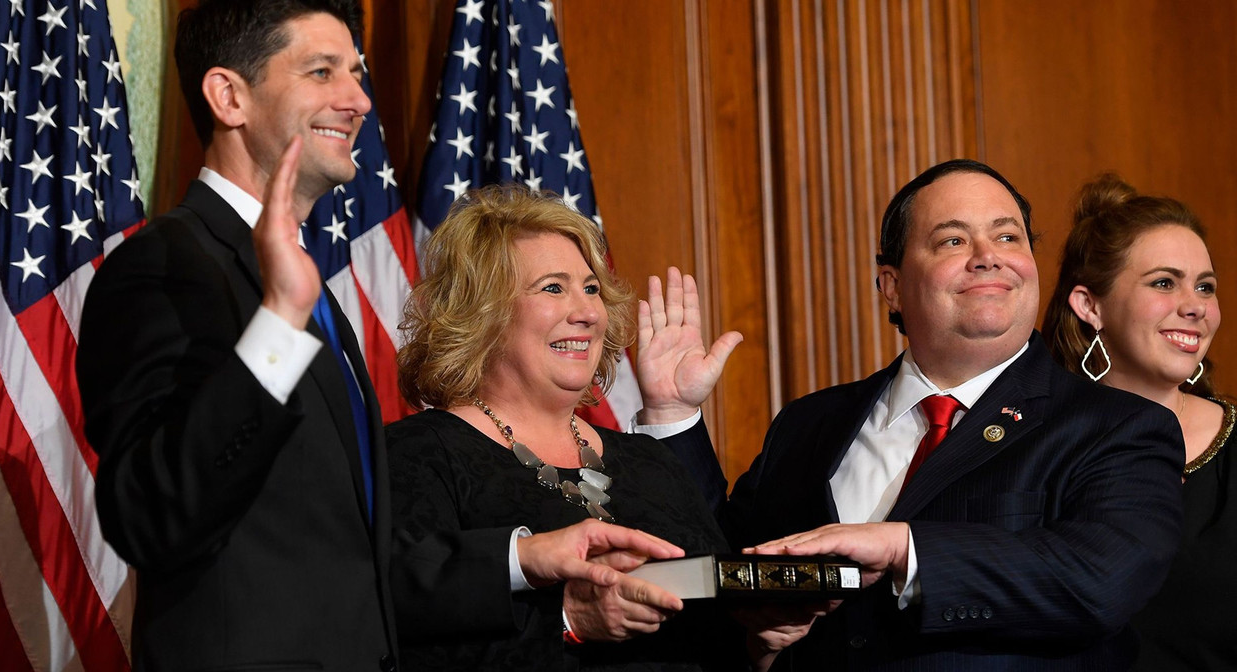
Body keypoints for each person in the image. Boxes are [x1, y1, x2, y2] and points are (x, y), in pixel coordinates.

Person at [76, 2, 681, 670]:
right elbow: (150, 516)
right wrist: (277, 324)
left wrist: (520, 557)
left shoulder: (300, 284)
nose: (358, 99)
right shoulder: (166, 266)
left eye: (358, 73)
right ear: (228, 95)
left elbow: (347, 551)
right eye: (322, 71)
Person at [642, 159, 1185, 669]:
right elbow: (712, 573)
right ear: (892, 286)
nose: (988, 255)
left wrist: (906, 548)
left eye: (1007, 236)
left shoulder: (1120, 427)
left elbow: (1099, 578)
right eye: (953, 239)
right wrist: (672, 415)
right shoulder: (808, 424)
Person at [385, 185, 778, 670]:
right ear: (480, 313)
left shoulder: (649, 459)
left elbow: (716, 640)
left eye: (591, 288)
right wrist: (567, 622)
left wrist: (764, 644)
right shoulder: (416, 456)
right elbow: (398, 639)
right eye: (553, 288)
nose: (588, 312)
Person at [1042, 174, 1231, 671]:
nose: (1195, 307)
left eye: (1205, 287)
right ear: (1090, 305)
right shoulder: (1029, 443)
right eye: (1164, 283)